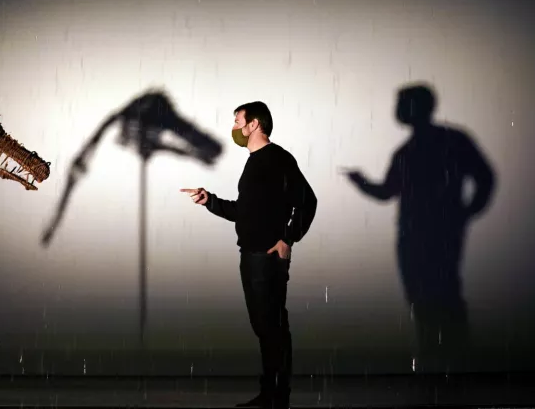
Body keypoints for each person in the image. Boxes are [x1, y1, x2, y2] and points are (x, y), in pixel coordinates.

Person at [342, 84, 494, 373]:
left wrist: (467, 213)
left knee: (432, 296)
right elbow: (484, 177)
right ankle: (446, 364)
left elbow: (387, 192)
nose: (396, 110)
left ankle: (444, 365)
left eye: (401, 104)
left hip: (418, 233)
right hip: (428, 232)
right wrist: (465, 213)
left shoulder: (412, 150)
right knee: (434, 294)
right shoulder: (440, 143)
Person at [182, 101, 317, 409]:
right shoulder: (254, 162)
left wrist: (287, 239)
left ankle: (277, 396)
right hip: (251, 256)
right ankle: (271, 393)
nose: (234, 128)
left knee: (272, 327)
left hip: (266, 259)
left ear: (254, 124)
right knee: (265, 327)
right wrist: (210, 201)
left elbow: (307, 200)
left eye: (237, 121)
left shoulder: (277, 158)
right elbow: (246, 213)